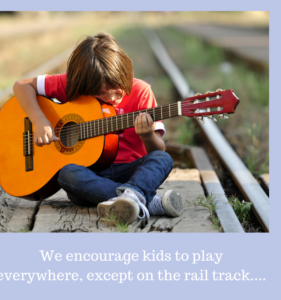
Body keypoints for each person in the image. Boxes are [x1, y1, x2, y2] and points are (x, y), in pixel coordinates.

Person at [13, 32, 183, 225]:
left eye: (116, 87)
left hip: (130, 171)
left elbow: (156, 150)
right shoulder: (76, 84)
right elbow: (21, 86)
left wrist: (147, 135)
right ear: (84, 86)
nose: (111, 96)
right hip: (91, 176)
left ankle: (131, 198)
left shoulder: (141, 91)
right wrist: (39, 121)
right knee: (67, 173)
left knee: (163, 158)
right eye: (100, 94)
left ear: (125, 71)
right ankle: (143, 200)